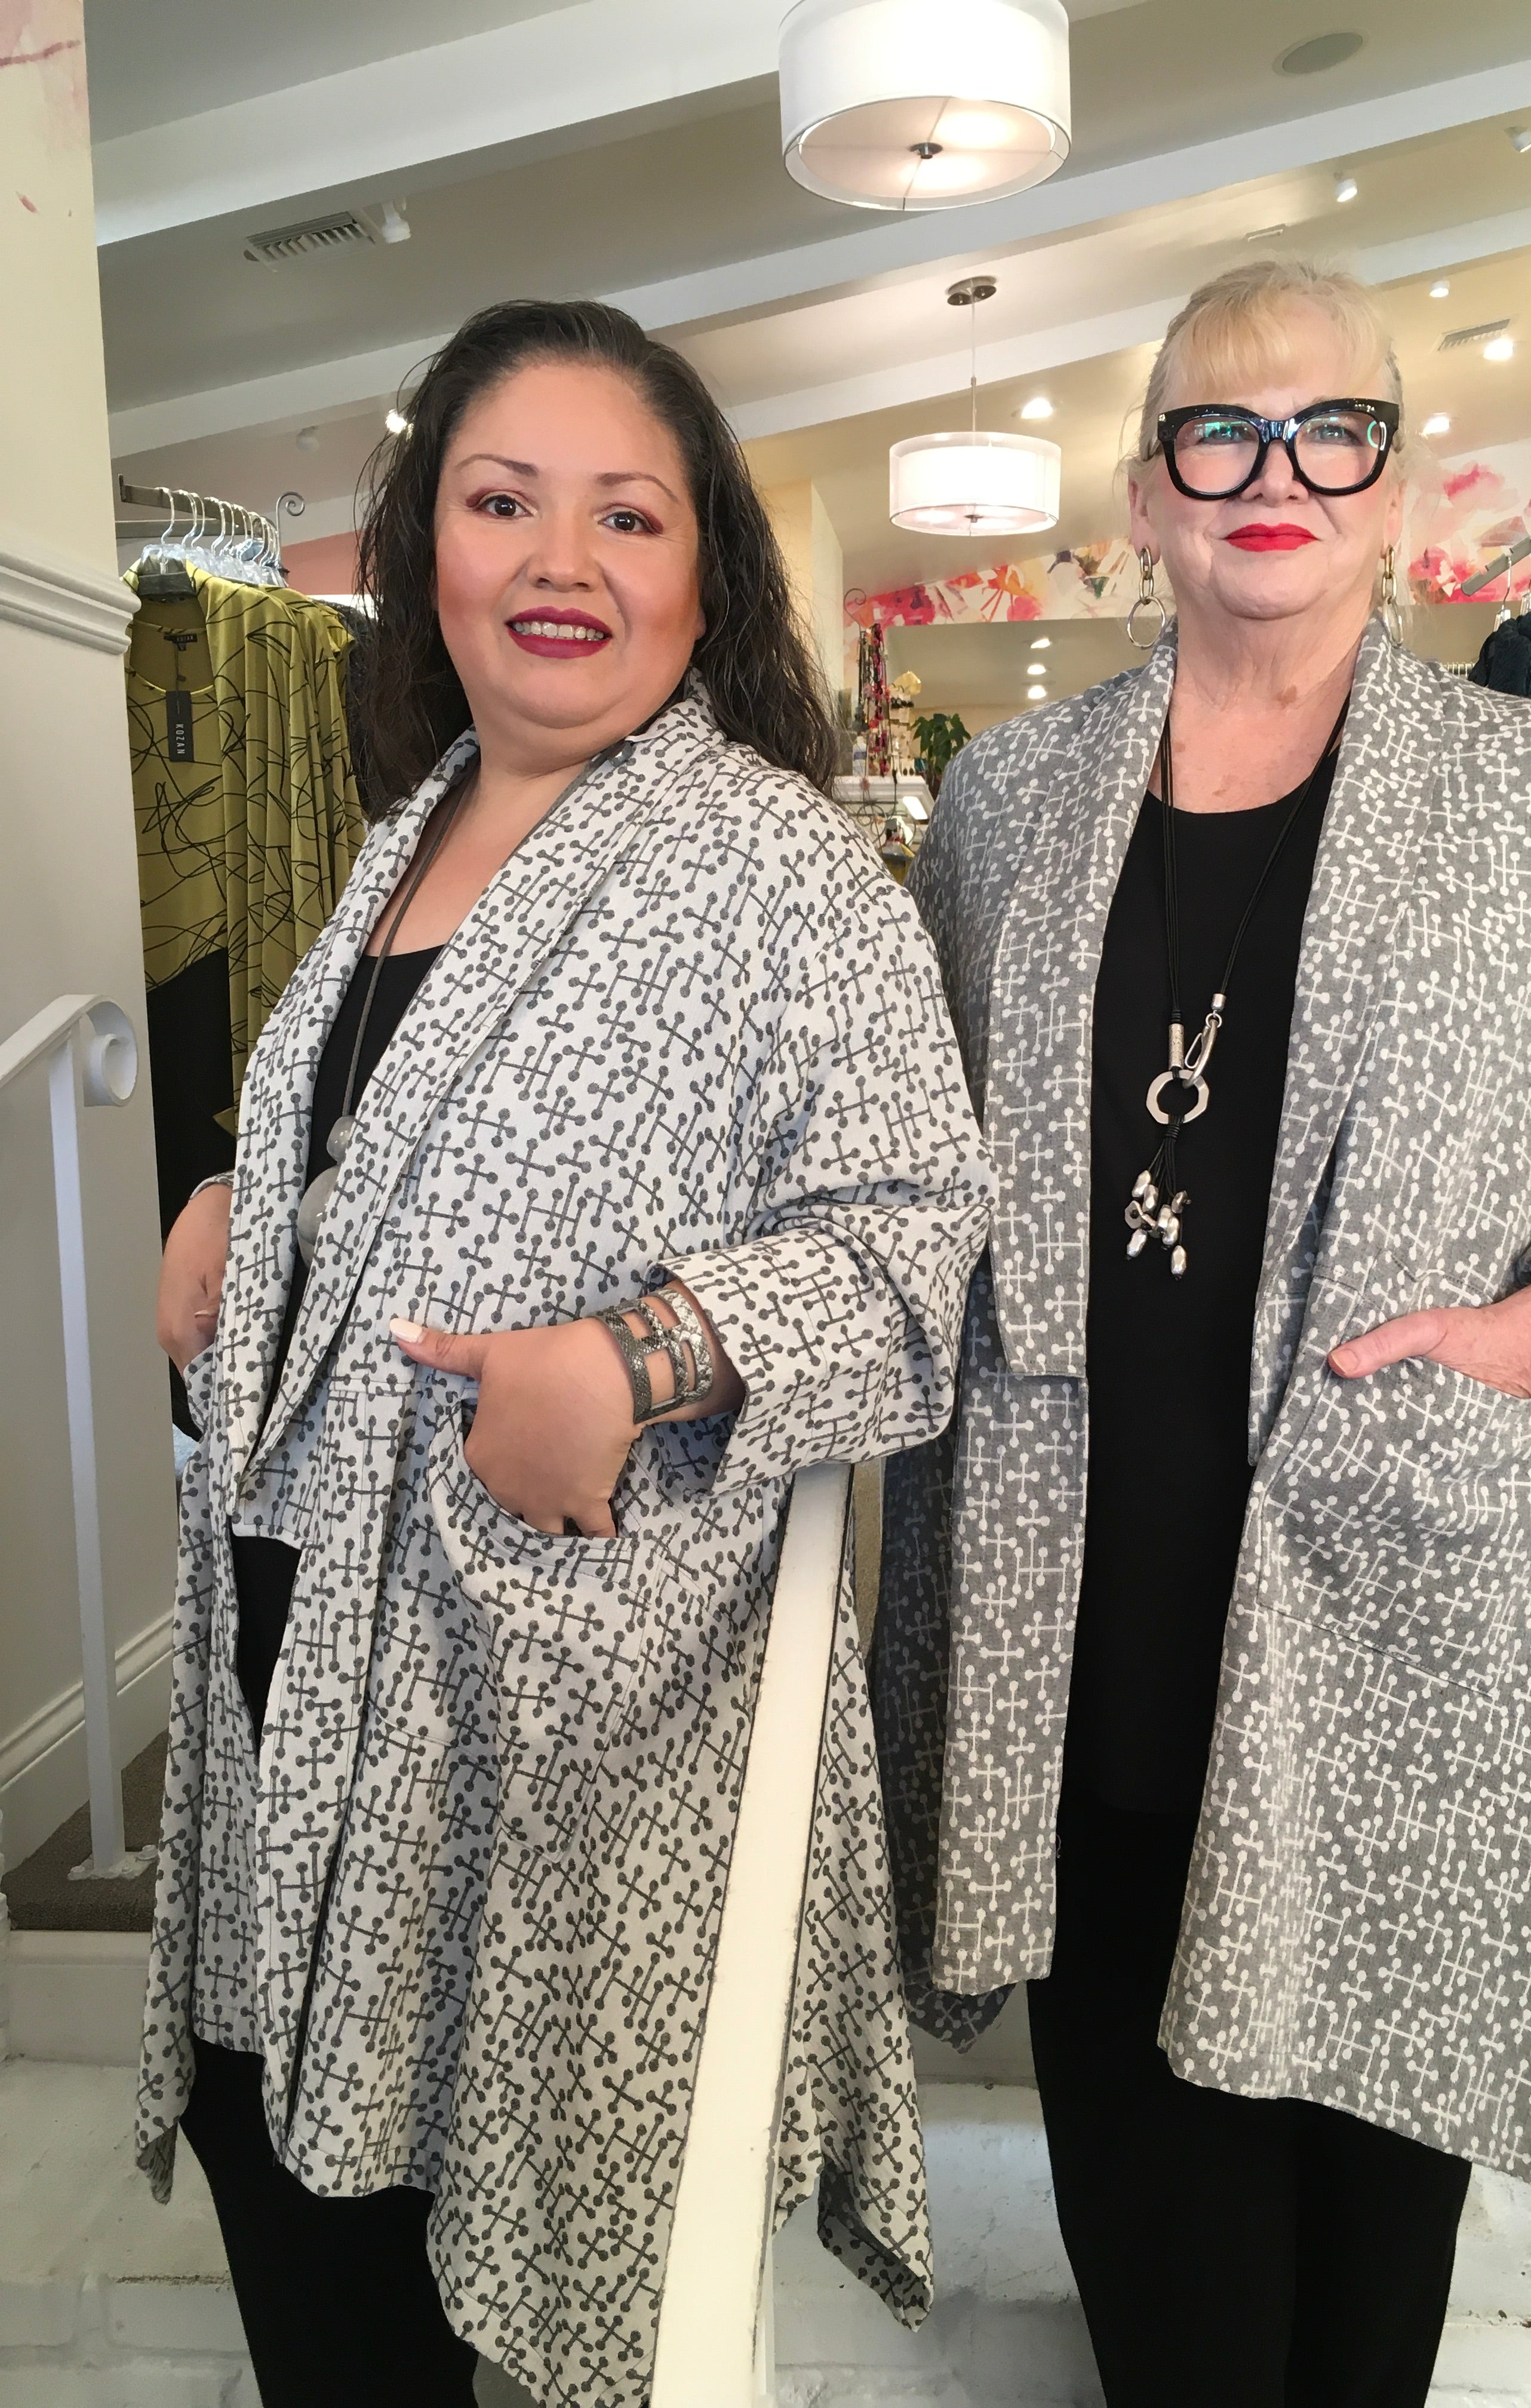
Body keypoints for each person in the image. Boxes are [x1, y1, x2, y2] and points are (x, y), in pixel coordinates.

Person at [871, 256, 1531, 2407]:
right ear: (1148, 492)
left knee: (1365, 2289)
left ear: (1391, 481)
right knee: (1162, 2259)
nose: (1273, 472)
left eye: (1328, 430)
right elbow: (892, 1147)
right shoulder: (1008, 809)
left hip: (1416, 1637)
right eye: (1220, 430)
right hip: (1089, 1636)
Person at [141, 298, 989, 2408]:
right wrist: (253, 1195)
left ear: (706, 572)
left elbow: (914, 1255)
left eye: (628, 515)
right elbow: (397, 1144)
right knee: (297, 2229)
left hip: (541, 1731)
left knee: (468, 2287)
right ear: (426, 546)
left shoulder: (784, 871)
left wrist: (639, 1361)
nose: (560, 562)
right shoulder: (407, 830)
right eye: (503, 502)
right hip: (292, 1665)